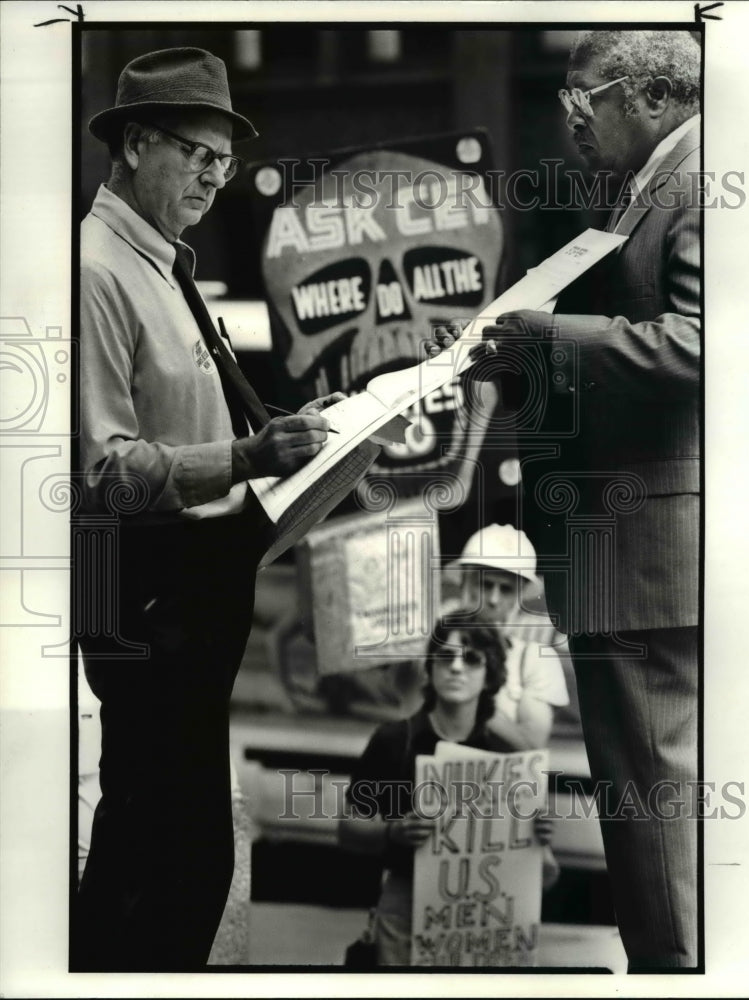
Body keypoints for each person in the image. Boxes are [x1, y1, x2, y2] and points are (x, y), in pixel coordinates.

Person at [429, 30, 701, 970]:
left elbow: (702, 347)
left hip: (648, 553)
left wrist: (550, 337)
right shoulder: (656, 185)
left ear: (650, 97)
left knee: (652, 810)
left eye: (585, 97)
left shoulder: (696, 178)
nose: (570, 119)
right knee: (655, 809)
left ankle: (679, 978)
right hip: (638, 547)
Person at [75, 47, 340, 971]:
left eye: (224, 162)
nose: (214, 178)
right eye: (197, 154)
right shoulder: (96, 269)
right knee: (160, 852)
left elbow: (196, 411)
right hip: (146, 592)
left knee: (180, 848)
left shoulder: (161, 262)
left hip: (189, 590)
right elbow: (99, 471)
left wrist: (291, 434)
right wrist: (244, 455)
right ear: (137, 142)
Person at [339, 616, 554, 966]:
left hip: (485, 917)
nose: (456, 668)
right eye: (445, 657)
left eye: (471, 659)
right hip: (403, 914)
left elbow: (542, 873)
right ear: (430, 667)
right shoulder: (394, 741)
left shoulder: (507, 755)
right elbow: (347, 829)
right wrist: (392, 832)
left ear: (491, 674)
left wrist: (537, 837)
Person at [450, 523, 570, 751]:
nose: (494, 599)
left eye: (505, 589)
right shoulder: (431, 648)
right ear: (464, 583)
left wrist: (471, 698)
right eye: (485, 585)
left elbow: (531, 744)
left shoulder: (534, 659)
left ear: (519, 595)